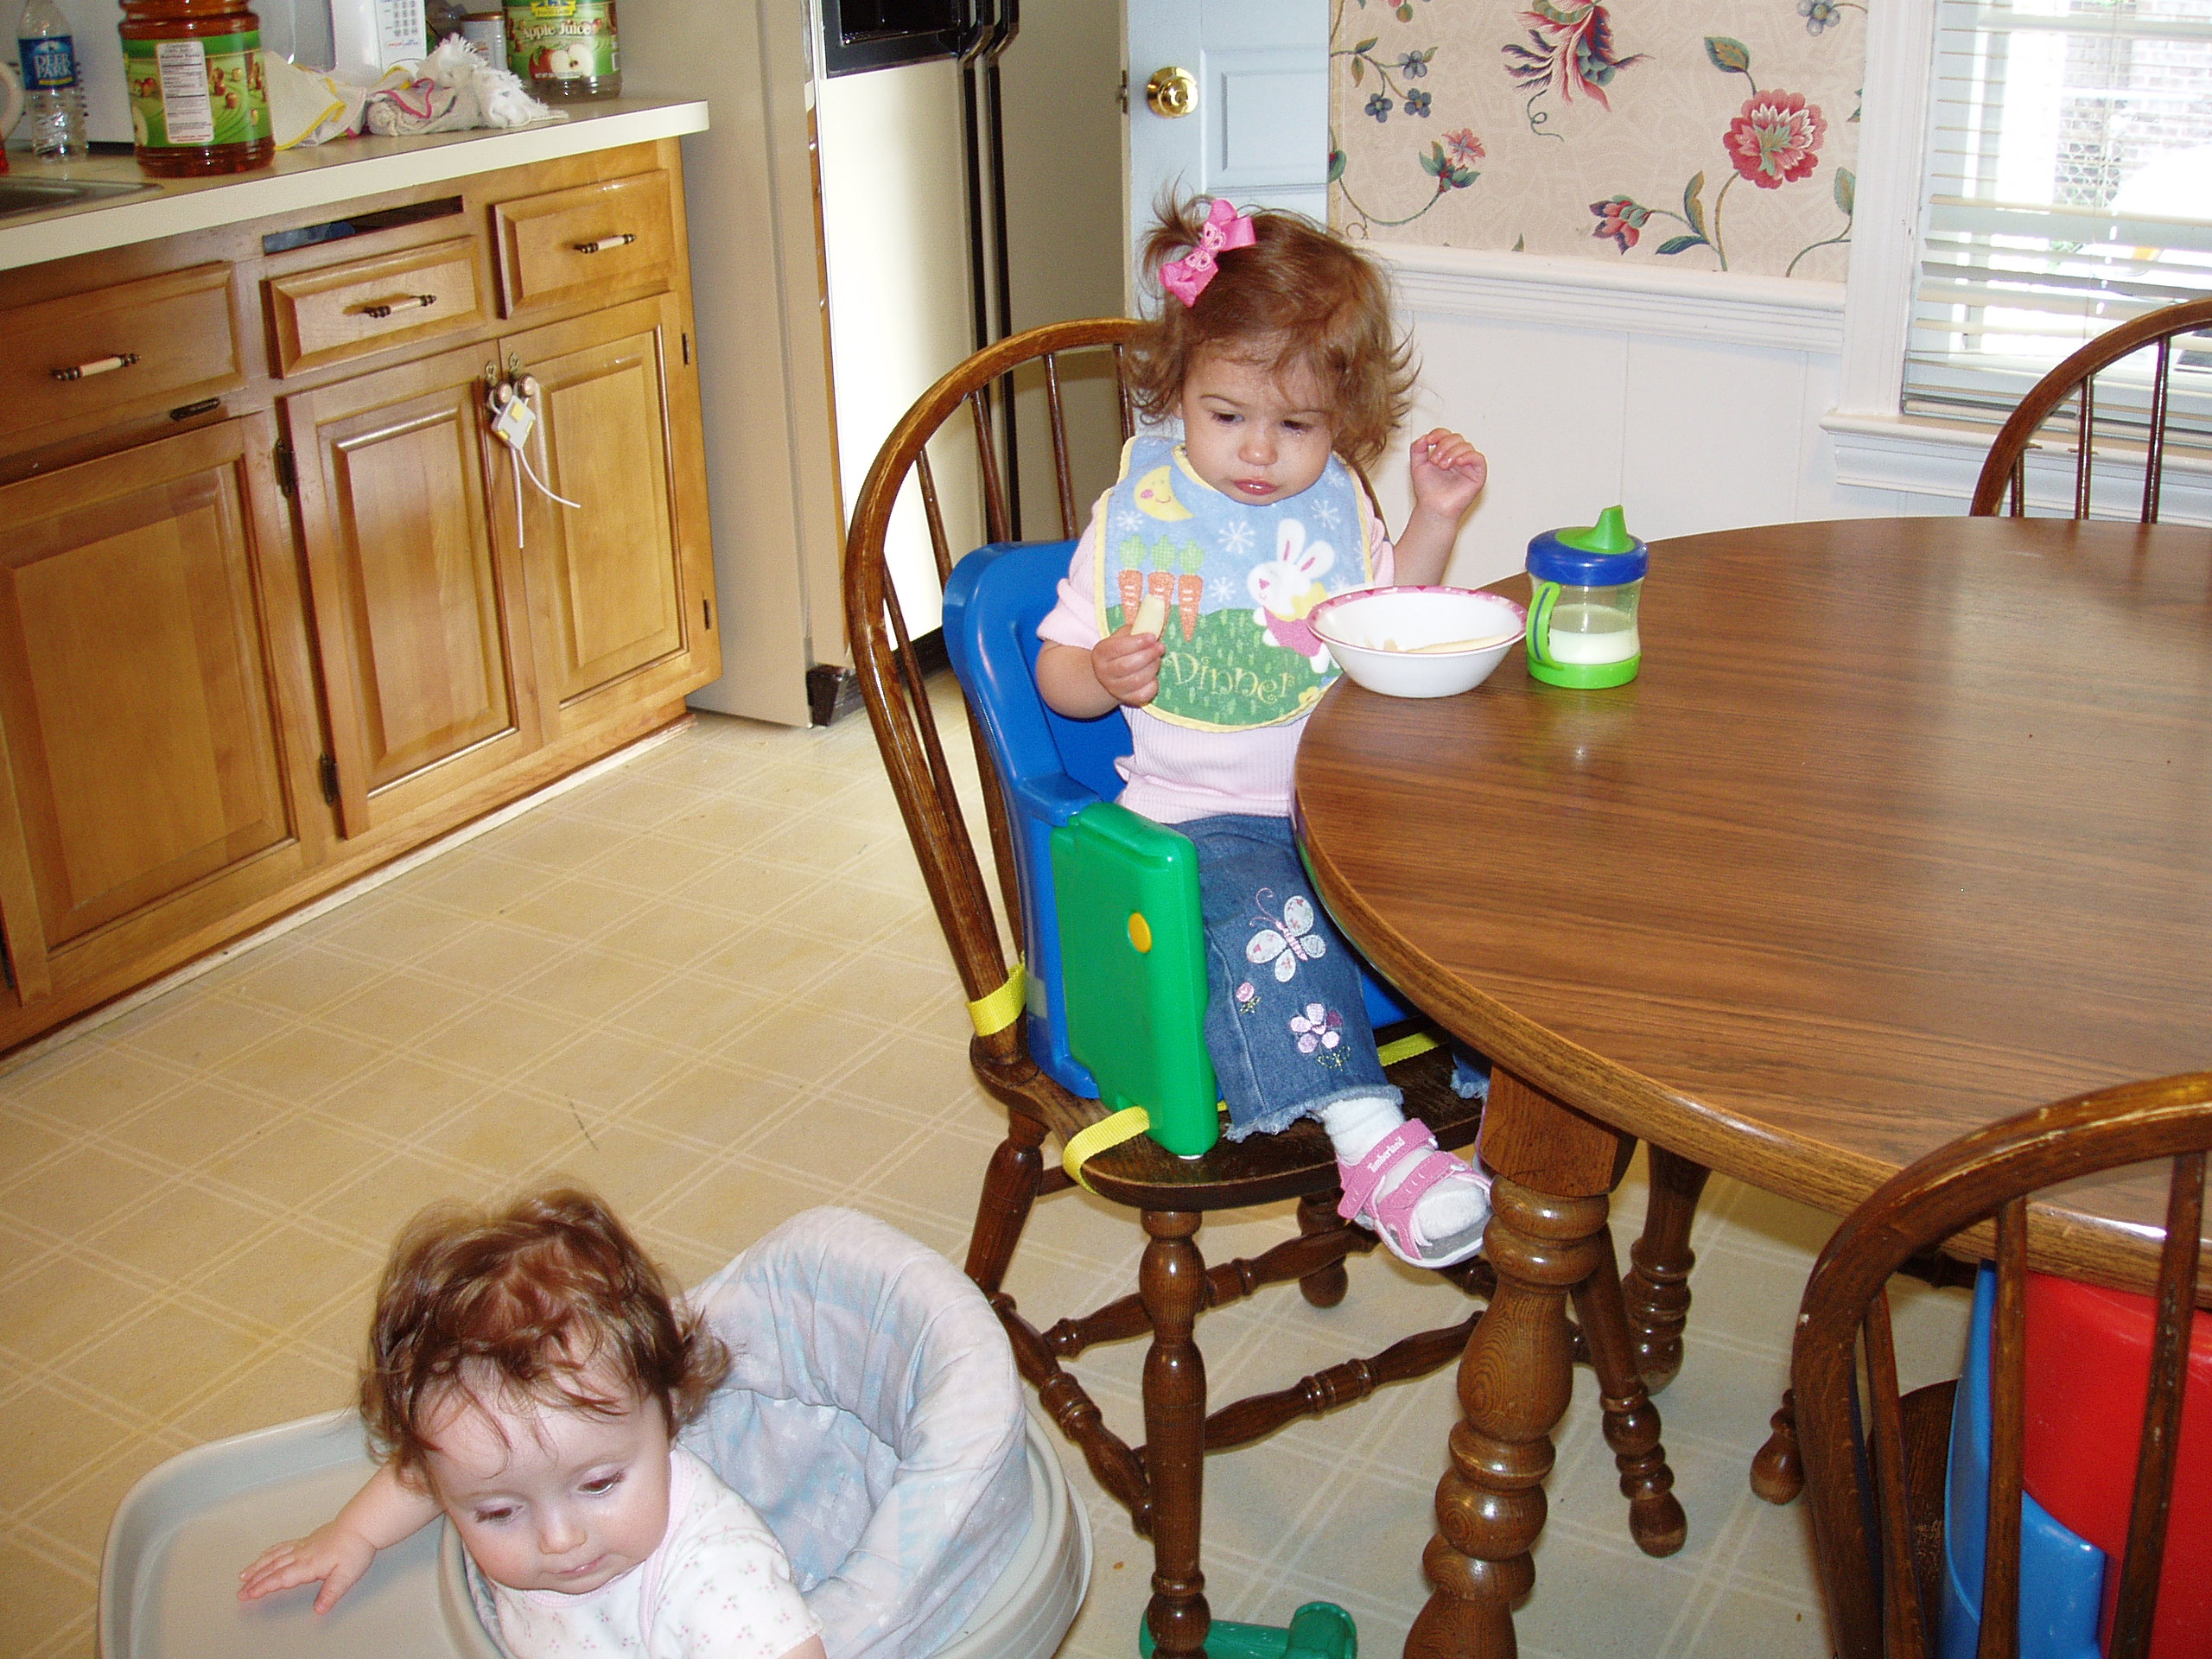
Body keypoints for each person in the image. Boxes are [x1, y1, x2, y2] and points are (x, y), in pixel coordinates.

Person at [1035, 196, 1494, 1269]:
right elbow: (1056, 677)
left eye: (1296, 427)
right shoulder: (1138, 518)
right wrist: (1099, 673)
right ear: (1175, 394)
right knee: (1274, 918)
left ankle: (1501, 1069)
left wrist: (1433, 517)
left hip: (1339, 799)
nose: (1257, 451)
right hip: (1198, 824)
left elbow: (1379, 617)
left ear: (1344, 419)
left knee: (1468, 862)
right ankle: (1370, 1142)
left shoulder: (1333, 501)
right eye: (1226, 414)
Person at [238, 1186, 826, 1659]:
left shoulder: (716, 1578)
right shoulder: (481, 1467)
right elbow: (424, 1476)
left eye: (598, 1484)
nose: (558, 1540)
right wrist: (354, 1534)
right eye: (499, 1512)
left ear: (669, 1410)